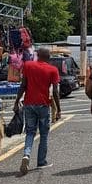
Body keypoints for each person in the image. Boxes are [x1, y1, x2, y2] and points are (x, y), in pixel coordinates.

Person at [14, 47, 61, 175]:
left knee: (30, 132)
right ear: (49, 57)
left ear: (37, 55)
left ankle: (26, 155)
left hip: (29, 104)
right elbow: (55, 92)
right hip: (43, 105)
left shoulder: (28, 65)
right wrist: (58, 110)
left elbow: (23, 85)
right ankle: (41, 162)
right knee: (44, 134)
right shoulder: (53, 70)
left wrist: (16, 101)